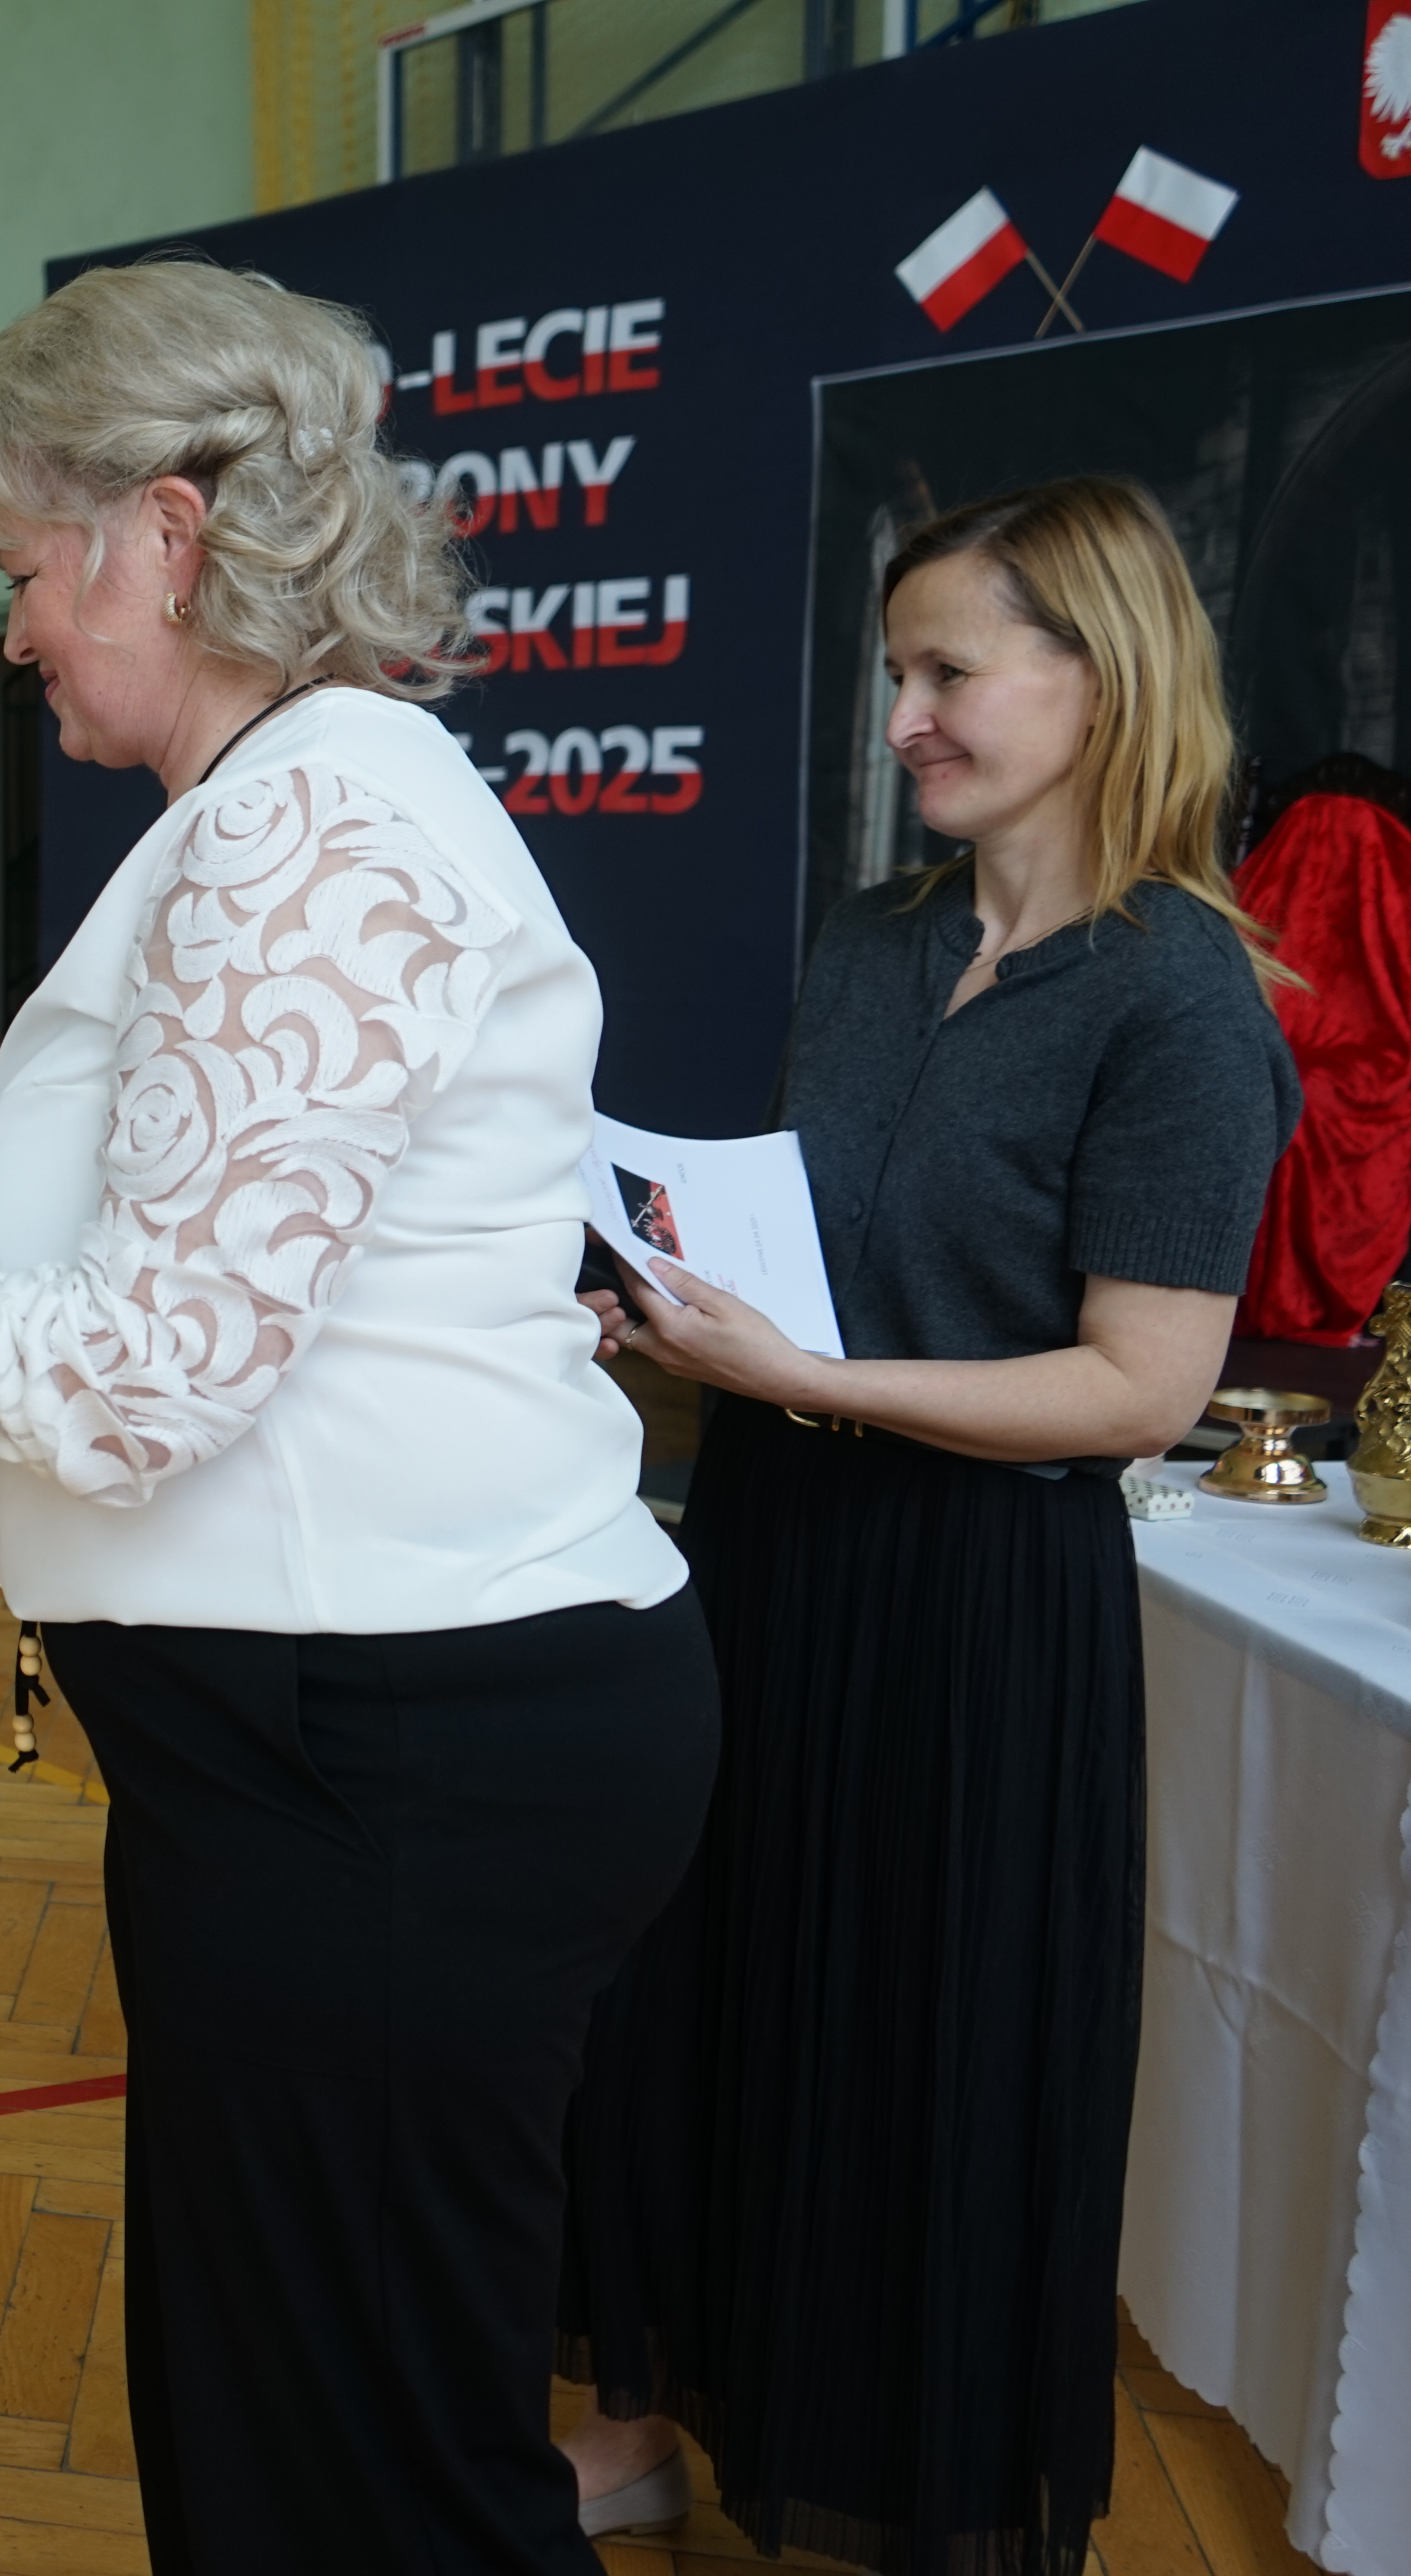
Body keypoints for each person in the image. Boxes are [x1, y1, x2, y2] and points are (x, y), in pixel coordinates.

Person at [0, 257, 712, 2573]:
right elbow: (224, 1321)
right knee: (283, 2436)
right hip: (314, 1748)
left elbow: (152, 1373)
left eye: (19, 568)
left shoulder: (317, 823)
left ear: (162, 536)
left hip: (398, 1753)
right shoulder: (269, 810)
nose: (9, 635)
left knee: (375, 2485)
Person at [558, 478, 1300, 2574]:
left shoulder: (1183, 998)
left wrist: (812, 1379)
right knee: (700, 1994)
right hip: (771, 1550)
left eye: (948, 672)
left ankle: (904, 2500)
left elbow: (1138, 1389)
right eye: (898, 673)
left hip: (978, 1605)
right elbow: (839, 1269)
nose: (904, 720)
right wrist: (681, 1318)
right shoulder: (874, 940)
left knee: (924, 2057)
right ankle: (638, 2424)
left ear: (1102, 676)